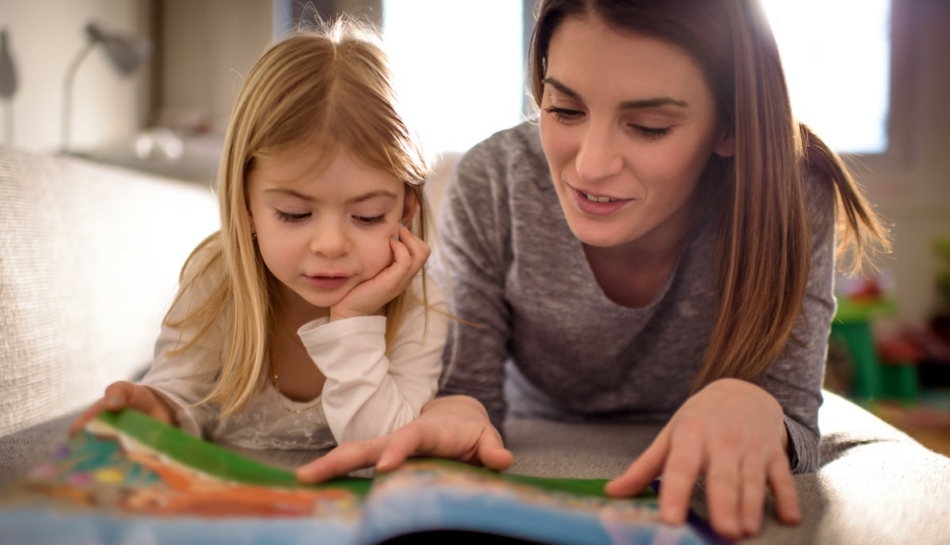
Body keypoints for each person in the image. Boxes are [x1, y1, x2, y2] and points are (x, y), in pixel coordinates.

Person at [296, 0, 889, 540]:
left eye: (650, 126)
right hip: (537, 421)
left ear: (729, 125)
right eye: (564, 109)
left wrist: (759, 410)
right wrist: (458, 413)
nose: (591, 164)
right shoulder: (494, 182)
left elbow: (798, 430)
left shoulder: (792, 194)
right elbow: (467, 396)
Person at [70, 18, 448, 452]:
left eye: (367, 216)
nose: (329, 245)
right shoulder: (217, 279)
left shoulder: (420, 305)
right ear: (245, 205)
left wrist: (354, 323)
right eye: (293, 213)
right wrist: (157, 409)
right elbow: (178, 398)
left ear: (405, 209)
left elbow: (387, 448)